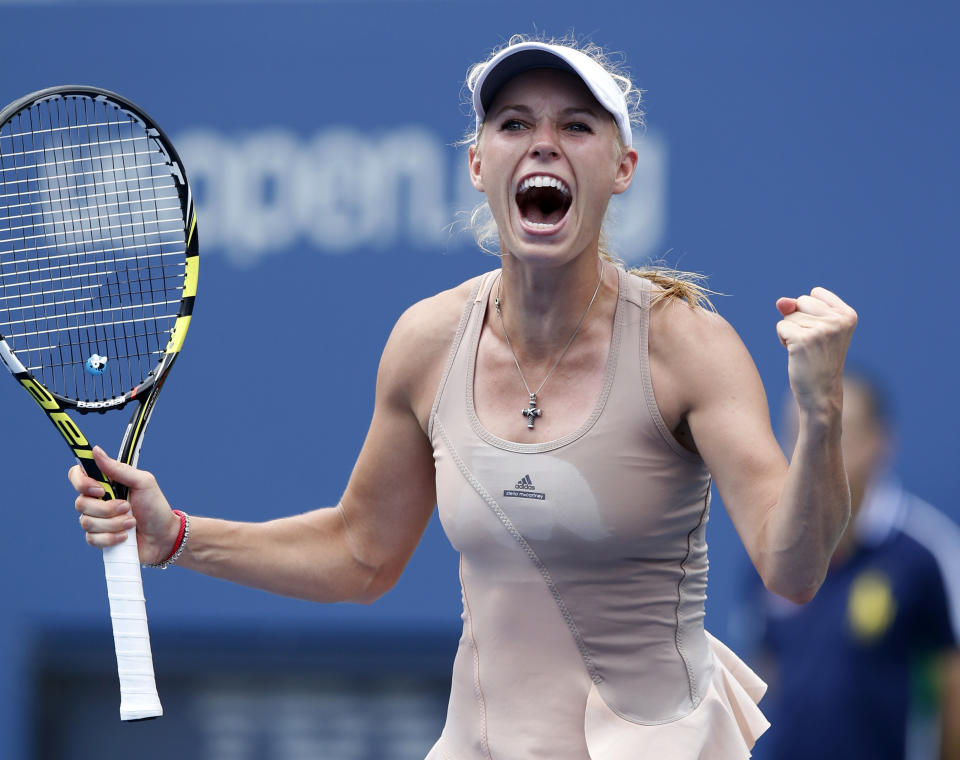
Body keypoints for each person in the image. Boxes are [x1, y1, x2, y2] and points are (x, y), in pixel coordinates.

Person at [70, 35, 858, 759]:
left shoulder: (687, 345)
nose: (543, 142)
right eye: (514, 124)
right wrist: (174, 533)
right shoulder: (427, 341)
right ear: (479, 164)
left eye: (577, 126)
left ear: (622, 168)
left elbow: (791, 571)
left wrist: (821, 419)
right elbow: (359, 554)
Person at [740, 372, 960, 760]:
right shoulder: (768, 556)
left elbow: (951, 684)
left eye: (833, 431)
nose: (814, 448)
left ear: (879, 442)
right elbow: (767, 672)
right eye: (800, 432)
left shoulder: (924, 556)